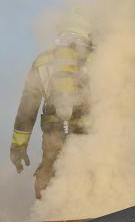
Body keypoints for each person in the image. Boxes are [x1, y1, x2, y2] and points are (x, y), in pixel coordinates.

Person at [11, 19, 93, 198]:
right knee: (93, 180)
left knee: (49, 180)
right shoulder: (101, 58)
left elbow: (26, 111)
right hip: (91, 136)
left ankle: (50, 217)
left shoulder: (42, 61)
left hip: (54, 136)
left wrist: (18, 147)